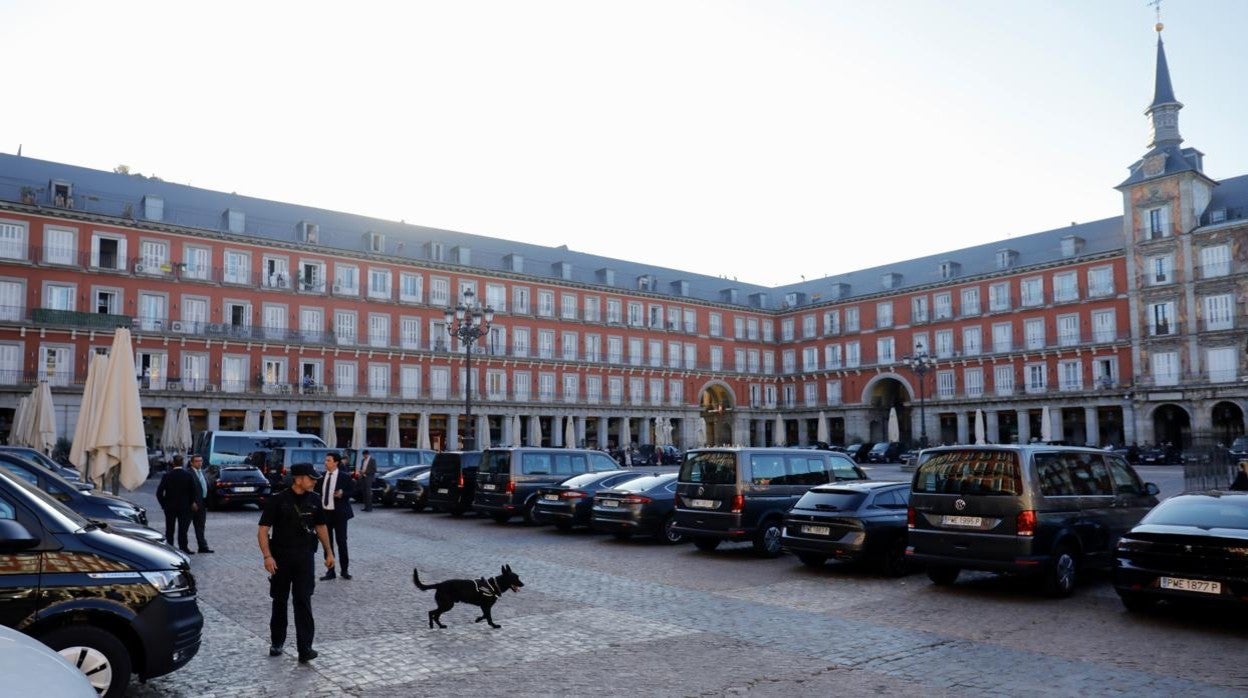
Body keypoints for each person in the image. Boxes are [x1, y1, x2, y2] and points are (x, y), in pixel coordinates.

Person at [257, 462, 333, 663]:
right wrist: (267, 556)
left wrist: (329, 552)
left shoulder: (315, 500)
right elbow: (263, 530)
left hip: (305, 558)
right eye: (311, 478)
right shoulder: (277, 500)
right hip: (280, 559)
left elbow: (321, 526)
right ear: (298, 479)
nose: (315, 481)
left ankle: (305, 648)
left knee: (303, 601)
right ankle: (277, 642)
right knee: (280, 601)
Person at [316, 452, 353, 580]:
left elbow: (353, 490)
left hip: (340, 514)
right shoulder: (321, 477)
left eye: (328, 460)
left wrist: (343, 494)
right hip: (325, 513)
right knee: (327, 543)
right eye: (325, 460)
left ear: (336, 462)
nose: (325, 462)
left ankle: (344, 570)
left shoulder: (344, 477)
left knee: (341, 541)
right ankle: (330, 571)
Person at [155, 454, 198, 554]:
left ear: (173, 463)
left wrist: (163, 504)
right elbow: (193, 491)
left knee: (169, 529)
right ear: (182, 463)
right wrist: (192, 502)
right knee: (183, 529)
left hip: (170, 507)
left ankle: (170, 547)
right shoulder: (188, 475)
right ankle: (183, 547)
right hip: (185, 507)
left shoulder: (167, 476)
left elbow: (159, 493)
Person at [188, 454, 214, 553]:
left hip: (202, 503)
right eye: (197, 461)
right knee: (185, 527)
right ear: (192, 462)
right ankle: (184, 547)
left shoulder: (203, 472)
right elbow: (186, 490)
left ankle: (202, 546)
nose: (199, 463)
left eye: (201, 461)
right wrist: (192, 502)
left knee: (201, 526)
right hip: (192, 504)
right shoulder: (188, 473)